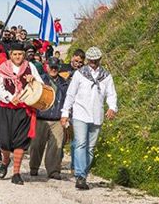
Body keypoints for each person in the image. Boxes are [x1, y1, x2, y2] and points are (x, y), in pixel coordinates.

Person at [61, 47, 117, 190]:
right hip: (80, 114)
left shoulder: (106, 76)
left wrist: (112, 107)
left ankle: (83, 174)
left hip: (97, 115)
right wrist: (65, 114)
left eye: (95, 60)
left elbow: (111, 94)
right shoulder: (80, 74)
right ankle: (80, 176)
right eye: (90, 60)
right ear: (87, 60)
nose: (92, 62)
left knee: (90, 148)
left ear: (99, 59)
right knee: (80, 143)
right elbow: (70, 94)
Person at [0, 42, 44, 185]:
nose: (17, 57)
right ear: (11, 54)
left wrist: (32, 80)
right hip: (6, 108)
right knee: (4, 141)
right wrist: (10, 98)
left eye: (20, 54)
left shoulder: (30, 67)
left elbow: (40, 85)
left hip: (24, 109)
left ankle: (16, 173)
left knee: (20, 141)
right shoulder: (3, 68)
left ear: (24, 55)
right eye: (15, 54)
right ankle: (5, 161)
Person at [29, 57, 68, 180]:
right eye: (51, 67)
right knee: (36, 145)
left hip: (57, 119)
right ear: (47, 67)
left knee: (56, 146)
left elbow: (68, 100)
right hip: (41, 117)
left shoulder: (65, 82)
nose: (53, 69)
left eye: (56, 67)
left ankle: (53, 171)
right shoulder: (40, 79)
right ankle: (34, 168)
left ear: (59, 68)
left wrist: (66, 116)